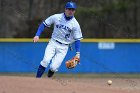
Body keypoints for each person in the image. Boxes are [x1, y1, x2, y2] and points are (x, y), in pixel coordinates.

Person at [33, 1, 83, 78]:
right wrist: (37, 35)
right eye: (69, 9)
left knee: (53, 67)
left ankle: (48, 79)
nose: (70, 11)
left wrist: (78, 53)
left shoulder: (75, 24)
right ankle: (36, 79)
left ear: (74, 11)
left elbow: (77, 39)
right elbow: (44, 24)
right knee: (45, 61)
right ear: (65, 9)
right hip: (53, 43)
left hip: (64, 47)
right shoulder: (56, 17)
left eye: (73, 10)